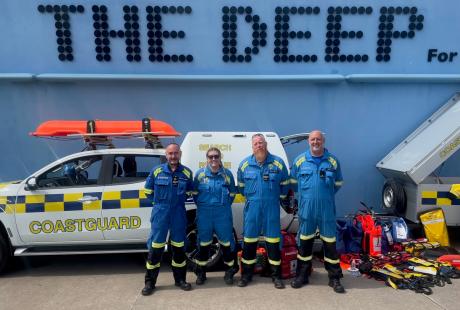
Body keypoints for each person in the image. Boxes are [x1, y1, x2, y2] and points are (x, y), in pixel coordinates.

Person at [290, 130, 345, 293]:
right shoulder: (299, 161)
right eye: (313, 139)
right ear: (308, 141)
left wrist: (325, 195)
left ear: (323, 141)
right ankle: (302, 275)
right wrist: (308, 196)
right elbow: (293, 184)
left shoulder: (333, 161)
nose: (316, 142)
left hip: (326, 208)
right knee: (305, 242)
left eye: (318, 139)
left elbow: (338, 183)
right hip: (307, 208)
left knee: (329, 243)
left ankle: (334, 278)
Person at [237, 133, 290, 289]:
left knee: (273, 241)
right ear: (252, 147)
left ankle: (276, 276)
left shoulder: (278, 163)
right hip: (252, 207)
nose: (259, 145)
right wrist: (253, 197)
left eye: (261, 142)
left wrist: (274, 198)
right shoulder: (244, 164)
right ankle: (246, 275)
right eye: (256, 143)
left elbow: (285, 186)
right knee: (249, 241)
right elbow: (241, 187)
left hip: (271, 207)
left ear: (266, 144)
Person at [141, 143, 194, 296]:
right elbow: (148, 191)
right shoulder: (157, 171)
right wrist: (158, 205)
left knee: (179, 247)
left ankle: (180, 280)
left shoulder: (186, 173)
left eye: (175, 153)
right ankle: (150, 282)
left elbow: (190, 191)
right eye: (170, 153)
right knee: (156, 247)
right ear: (166, 155)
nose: (173, 156)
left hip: (178, 213)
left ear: (180, 154)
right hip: (161, 213)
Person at [192, 147, 239, 285]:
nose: (213, 159)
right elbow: (195, 194)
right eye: (211, 156)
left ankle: (230, 271)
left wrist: (223, 206)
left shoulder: (227, 174)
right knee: (204, 243)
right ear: (207, 159)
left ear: (220, 158)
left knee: (226, 243)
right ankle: (201, 272)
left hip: (222, 214)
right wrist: (204, 205)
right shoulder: (200, 175)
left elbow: (232, 194)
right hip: (204, 214)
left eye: (216, 156)